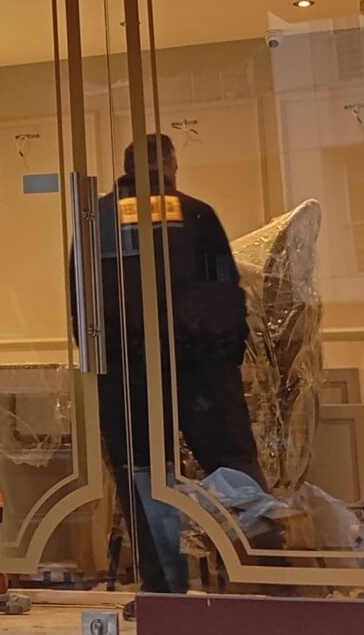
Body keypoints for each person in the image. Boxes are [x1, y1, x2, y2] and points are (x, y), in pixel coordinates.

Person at [94, 134, 259, 590]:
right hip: (201, 373)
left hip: (127, 376)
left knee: (144, 480)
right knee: (234, 469)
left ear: (127, 166)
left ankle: (163, 591)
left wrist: (108, 366)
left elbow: (83, 306)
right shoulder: (196, 214)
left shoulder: (99, 221)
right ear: (171, 165)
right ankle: (263, 577)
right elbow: (227, 295)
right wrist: (223, 359)